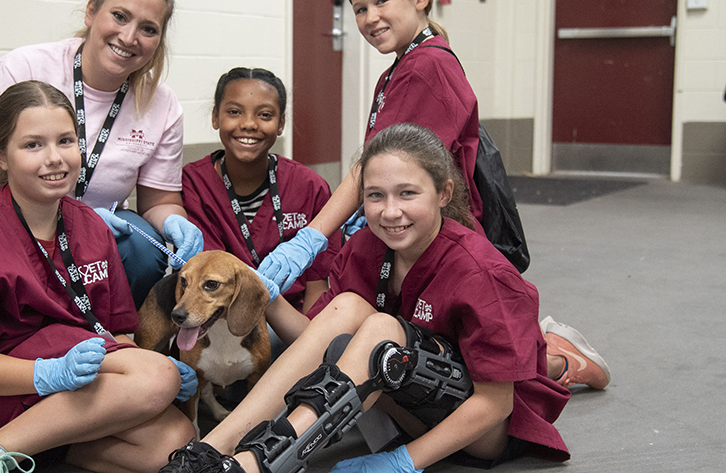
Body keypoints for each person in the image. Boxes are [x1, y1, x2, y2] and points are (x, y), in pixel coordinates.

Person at [158, 123, 611, 473]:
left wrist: (405, 461)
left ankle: (255, 463)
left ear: (444, 193)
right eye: (374, 196)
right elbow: (316, 342)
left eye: (407, 193)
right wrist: (263, 295)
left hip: (484, 430)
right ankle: (211, 449)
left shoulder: (483, 273)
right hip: (404, 392)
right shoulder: (367, 248)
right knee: (353, 310)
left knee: (379, 327)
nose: (389, 212)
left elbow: (496, 403)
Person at [0, 81, 196, 473]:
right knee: (157, 377)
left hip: (75, 389)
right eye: (32, 145)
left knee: (173, 442)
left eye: (65, 141)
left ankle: (32, 443)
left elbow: (115, 331)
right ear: (0, 154)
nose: (55, 159)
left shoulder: (91, 227)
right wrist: (49, 375)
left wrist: (134, 367)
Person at [0, 0, 202, 309]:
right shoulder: (24, 68)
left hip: (100, 227)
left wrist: (175, 223)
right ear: (91, 10)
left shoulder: (163, 104)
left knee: (142, 249)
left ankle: (110, 335)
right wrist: (65, 216)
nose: (129, 38)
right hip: (10, 218)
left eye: (148, 29)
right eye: (120, 16)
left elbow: (159, 201)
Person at [257, 0, 482, 296]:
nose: (370, 17)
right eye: (360, 9)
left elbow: (375, 165)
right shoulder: (399, 69)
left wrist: (312, 236)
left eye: (382, 1)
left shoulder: (427, 67)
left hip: (435, 240)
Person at [181, 68, 340, 343]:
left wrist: (308, 343)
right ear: (215, 117)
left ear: (281, 124)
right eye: (234, 112)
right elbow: (205, 280)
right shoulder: (194, 183)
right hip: (221, 324)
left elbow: (318, 287)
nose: (249, 124)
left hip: (289, 321)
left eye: (265, 115)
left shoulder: (310, 186)